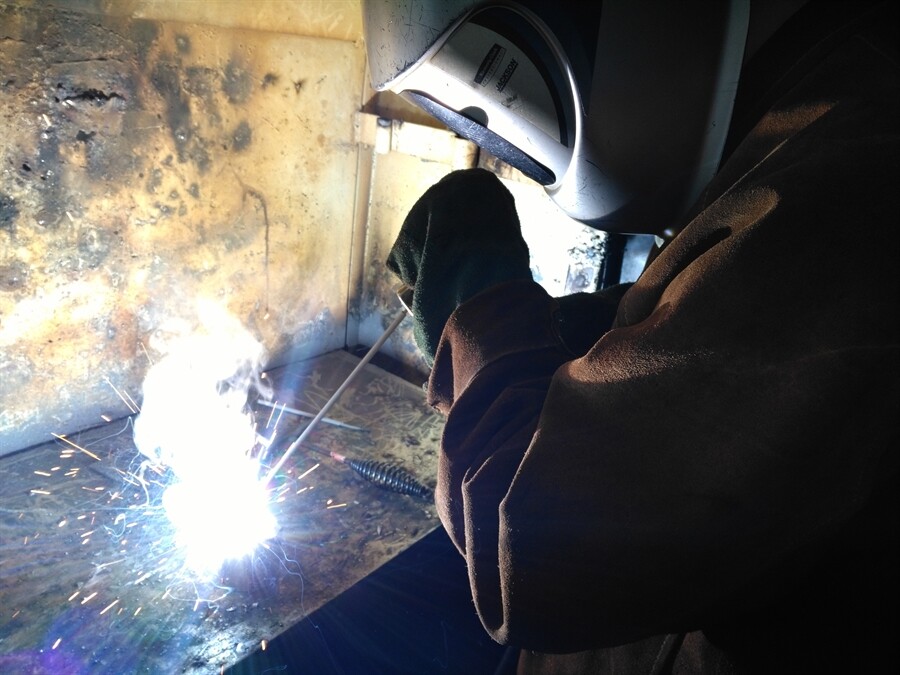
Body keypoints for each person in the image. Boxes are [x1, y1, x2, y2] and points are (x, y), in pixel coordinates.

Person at [384, 2, 899, 673]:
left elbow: (534, 547)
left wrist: (477, 301)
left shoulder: (856, 163)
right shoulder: (797, 110)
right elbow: (694, 326)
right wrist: (561, 326)